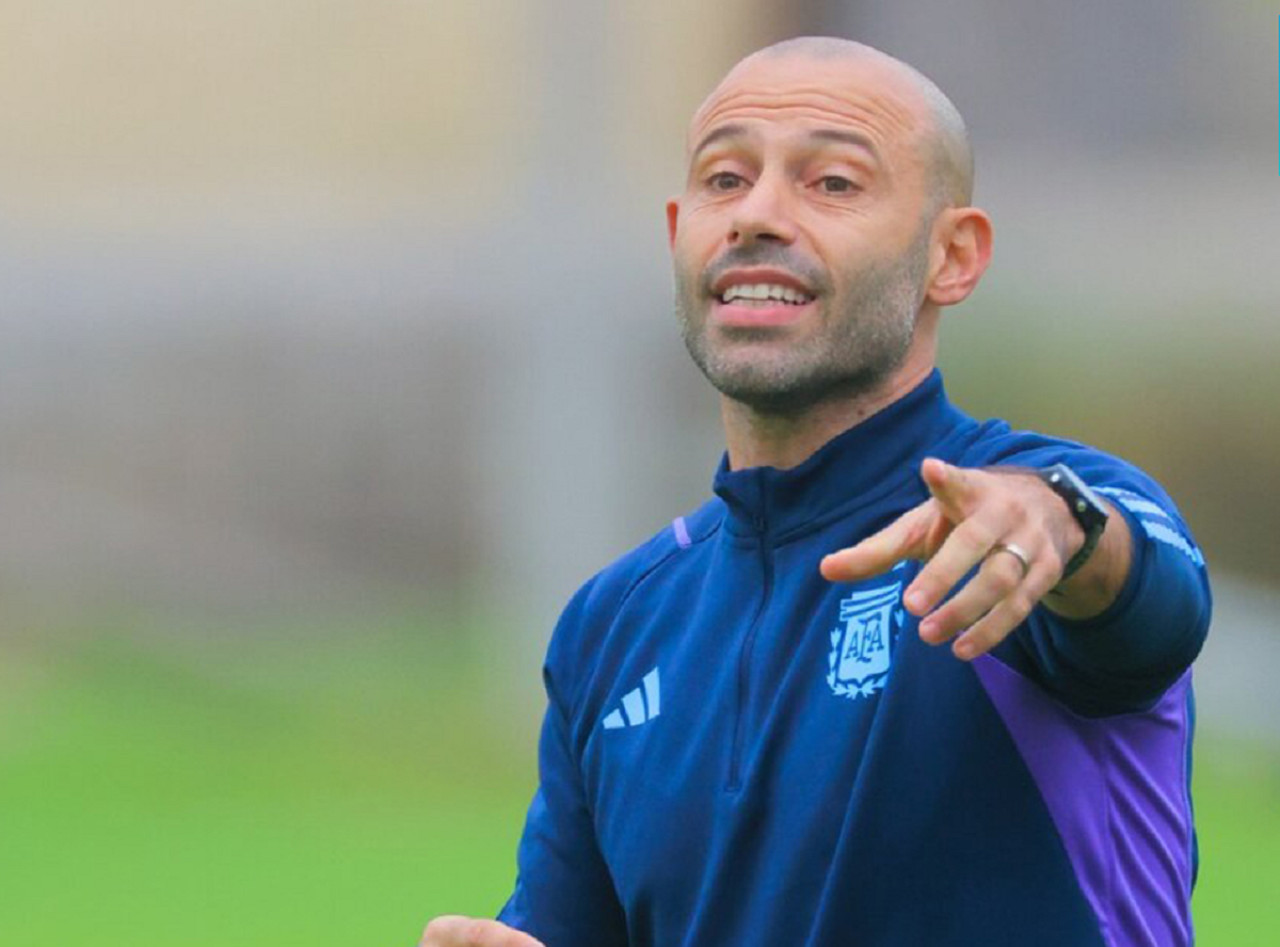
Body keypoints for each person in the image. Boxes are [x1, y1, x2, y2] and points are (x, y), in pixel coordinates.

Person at [419, 36, 1211, 947]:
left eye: (832, 183)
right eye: (725, 179)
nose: (757, 214)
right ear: (678, 232)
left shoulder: (1023, 523)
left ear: (953, 256)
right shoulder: (614, 624)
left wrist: (1061, 523)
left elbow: (1149, 597)